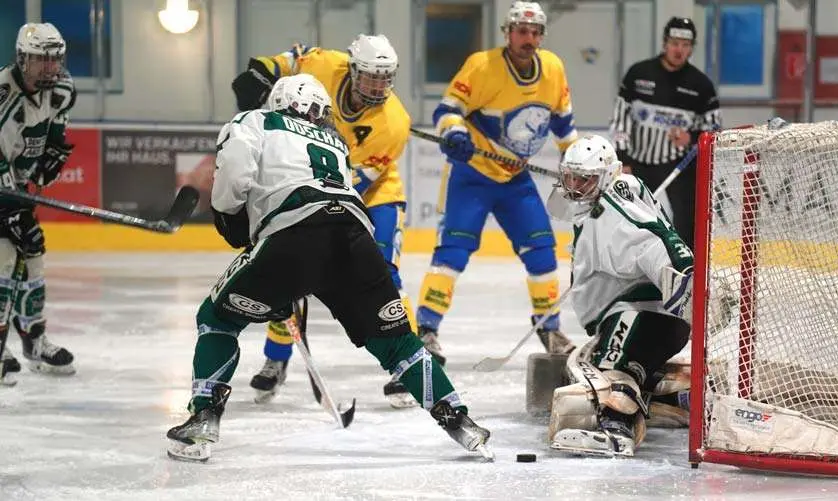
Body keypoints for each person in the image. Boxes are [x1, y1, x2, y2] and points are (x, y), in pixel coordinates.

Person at [166, 74, 491, 462]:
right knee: (397, 341)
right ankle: (460, 421)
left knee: (217, 319)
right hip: (357, 240)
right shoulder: (335, 140)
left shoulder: (255, 120)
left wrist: (227, 215)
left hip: (293, 236)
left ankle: (203, 418)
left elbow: (235, 175)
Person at [231, 34, 418, 407]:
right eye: (369, 77)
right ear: (351, 69)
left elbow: (356, 182)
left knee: (384, 277)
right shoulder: (322, 64)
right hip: (312, 185)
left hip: (374, 195)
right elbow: (285, 62)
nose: (377, 87)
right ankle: (276, 359)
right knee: (292, 272)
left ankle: (406, 364)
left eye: (385, 78)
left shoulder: (395, 122)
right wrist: (264, 69)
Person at [416, 1, 577, 364]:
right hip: (472, 176)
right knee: (453, 253)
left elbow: (564, 126)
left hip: (514, 178)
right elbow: (446, 110)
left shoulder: (553, 68)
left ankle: (549, 327)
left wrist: (576, 160)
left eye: (535, 32)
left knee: (542, 250)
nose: (529, 38)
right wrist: (455, 133)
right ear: (507, 32)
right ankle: (426, 329)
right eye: (522, 31)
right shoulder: (482, 66)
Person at [544, 134, 694, 457]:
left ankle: (616, 428)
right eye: (570, 176)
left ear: (606, 176)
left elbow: (653, 242)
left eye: (584, 179)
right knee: (628, 366)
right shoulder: (609, 199)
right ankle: (673, 398)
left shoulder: (608, 214)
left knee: (610, 368)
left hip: (637, 315)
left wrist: (683, 281)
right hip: (649, 317)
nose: (574, 186)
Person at [0, 23, 77, 385]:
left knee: (33, 257)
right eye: (40, 60)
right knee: (3, 261)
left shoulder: (62, 89)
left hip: (18, 190)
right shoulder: (3, 93)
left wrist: (54, 154)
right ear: (22, 58)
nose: (49, 67)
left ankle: (34, 340)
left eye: (54, 60)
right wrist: (10, 204)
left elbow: (56, 133)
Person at [609, 16, 721, 249]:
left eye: (685, 45)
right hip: (636, 164)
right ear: (664, 43)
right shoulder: (638, 75)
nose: (679, 50)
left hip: (677, 168)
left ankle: (685, 273)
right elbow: (620, 119)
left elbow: (715, 130)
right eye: (674, 43)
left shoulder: (701, 86)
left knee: (687, 224)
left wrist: (691, 137)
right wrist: (624, 159)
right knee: (627, 220)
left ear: (691, 48)